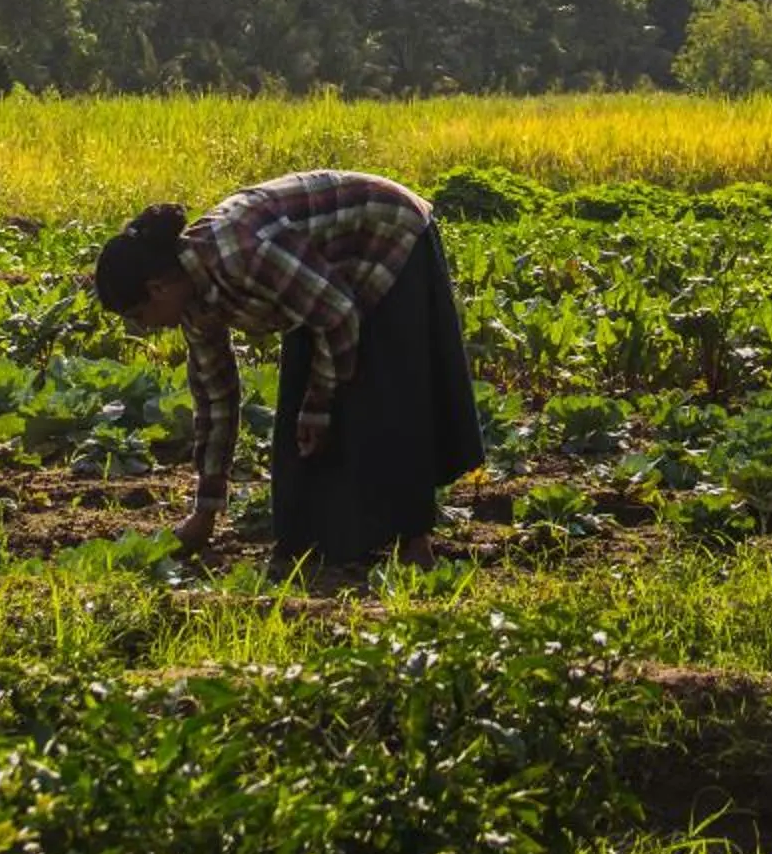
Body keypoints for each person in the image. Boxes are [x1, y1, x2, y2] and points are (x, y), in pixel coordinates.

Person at [91, 170, 485, 569]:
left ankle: (412, 542)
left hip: (384, 231)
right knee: (302, 419)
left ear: (158, 287)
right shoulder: (193, 306)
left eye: (140, 314)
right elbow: (216, 400)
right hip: (319, 281)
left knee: (380, 394)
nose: (147, 327)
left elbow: (338, 313)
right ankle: (311, 542)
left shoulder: (238, 254)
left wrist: (319, 401)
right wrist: (205, 511)